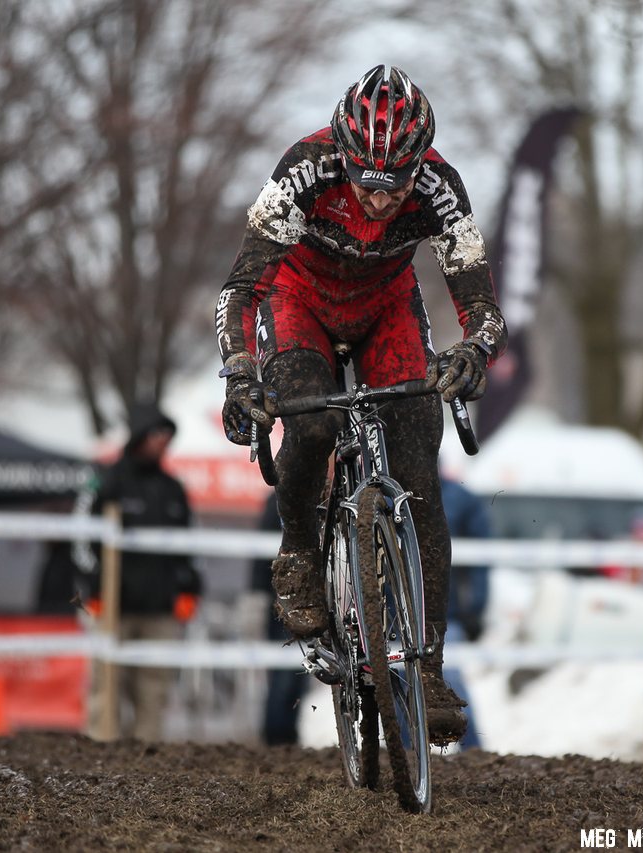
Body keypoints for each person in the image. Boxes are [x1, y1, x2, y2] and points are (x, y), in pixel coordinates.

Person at [215, 65, 508, 744]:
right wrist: (238, 372)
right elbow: (239, 288)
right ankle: (297, 554)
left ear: (417, 167)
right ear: (343, 157)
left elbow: (482, 303)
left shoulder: (439, 186)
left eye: (394, 186)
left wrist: (474, 352)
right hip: (301, 302)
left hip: (385, 311)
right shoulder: (304, 170)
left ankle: (428, 667)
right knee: (311, 424)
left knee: (421, 473)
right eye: (366, 184)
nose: (379, 201)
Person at [73, 402, 201, 742]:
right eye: (157, 433)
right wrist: (93, 588)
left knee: (154, 690)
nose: (163, 441)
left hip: (160, 610)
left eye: (168, 435)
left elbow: (188, 548)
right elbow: (81, 538)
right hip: (113, 606)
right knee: (107, 685)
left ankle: (148, 765)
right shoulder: (107, 481)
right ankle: (101, 757)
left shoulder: (174, 489)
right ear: (140, 435)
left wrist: (189, 590)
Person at [250, 492, 309, 746]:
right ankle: (276, 735)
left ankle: (284, 734)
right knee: (285, 677)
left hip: (301, 599)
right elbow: (262, 555)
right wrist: (260, 595)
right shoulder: (277, 501)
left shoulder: (279, 499)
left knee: (299, 673)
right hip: (282, 602)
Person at [441, 473, 490, 750]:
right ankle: (409, 754)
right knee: (400, 684)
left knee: (452, 682)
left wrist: (475, 609)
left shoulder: (460, 499)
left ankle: (472, 751)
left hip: (448, 615)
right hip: (399, 617)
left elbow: (480, 559)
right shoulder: (461, 499)